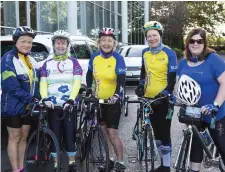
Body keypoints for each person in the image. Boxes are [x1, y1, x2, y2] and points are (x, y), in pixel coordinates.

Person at [175, 28, 225, 172]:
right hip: (194, 113)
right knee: (195, 145)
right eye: (192, 40)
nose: (195, 44)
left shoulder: (213, 59)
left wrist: (215, 105)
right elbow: (179, 86)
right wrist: (175, 97)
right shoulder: (183, 63)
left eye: (199, 41)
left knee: (222, 146)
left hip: (216, 113)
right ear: (187, 43)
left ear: (204, 43)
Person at [135, 21, 178, 172]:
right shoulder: (145, 52)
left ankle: (166, 167)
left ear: (160, 36)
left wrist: (165, 94)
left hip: (163, 100)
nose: (152, 38)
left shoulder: (169, 53)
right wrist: (140, 85)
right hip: (147, 99)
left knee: (164, 134)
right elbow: (143, 72)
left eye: (155, 35)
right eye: (149, 36)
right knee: (157, 135)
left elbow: (172, 78)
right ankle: (162, 164)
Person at [39, 30, 82, 172]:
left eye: (63, 43)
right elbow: (43, 83)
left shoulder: (74, 63)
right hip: (52, 105)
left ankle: (71, 163)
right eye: (58, 42)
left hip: (68, 105)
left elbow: (76, 83)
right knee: (54, 136)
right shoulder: (46, 64)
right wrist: (45, 98)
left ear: (68, 45)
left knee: (70, 135)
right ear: (53, 45)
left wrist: (71, 100)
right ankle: (57, 163)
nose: (61, 46)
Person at [86, 27, 127, 172]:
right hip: (99, 101)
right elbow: (89, 74)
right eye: (103, 40)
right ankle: (109, 160)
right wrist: (90, 91)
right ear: (99, 43)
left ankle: (120, 161)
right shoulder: (95, 57)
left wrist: (116, 95)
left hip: (112, 101)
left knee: (112, 132)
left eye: (109, 41)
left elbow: (122, 80)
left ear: (114, 43)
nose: (106, 43)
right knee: (103, 132)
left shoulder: (118, 58)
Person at [1, 26, 40, 172]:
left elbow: (37, 81)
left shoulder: (31, 59)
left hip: (28, 106)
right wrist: (31, 99)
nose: (26, 45)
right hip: (12, 106)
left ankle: (22, 167)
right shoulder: (8, 59)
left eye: (29, 42)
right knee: (15, 138)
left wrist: (38, 98)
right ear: (15, 42)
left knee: (24, 137)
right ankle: (15, 169)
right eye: (23, 41)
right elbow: (11, 86)